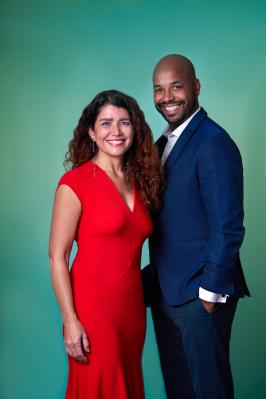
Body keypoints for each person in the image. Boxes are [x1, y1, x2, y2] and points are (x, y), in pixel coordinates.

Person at [144, 54, 250, 399]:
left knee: (208, 392)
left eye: (176, 86)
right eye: (159, 89)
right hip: (167, 292)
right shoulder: (161, 146)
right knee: (180, 390)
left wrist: (209, 293)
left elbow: (228, 225)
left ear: (196, 87)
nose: (167, 97)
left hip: (200, 295)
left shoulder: (213, 142)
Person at [49, 90, 163, 399]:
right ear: (91, 132)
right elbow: (57, 257)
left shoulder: (141, 182)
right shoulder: (75, 183)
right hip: (93, 309)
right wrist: (70, 321)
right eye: (106, 123)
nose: (116, 132)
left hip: (131, 309)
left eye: (124, 122)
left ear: (134, 129)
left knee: (128, 384)